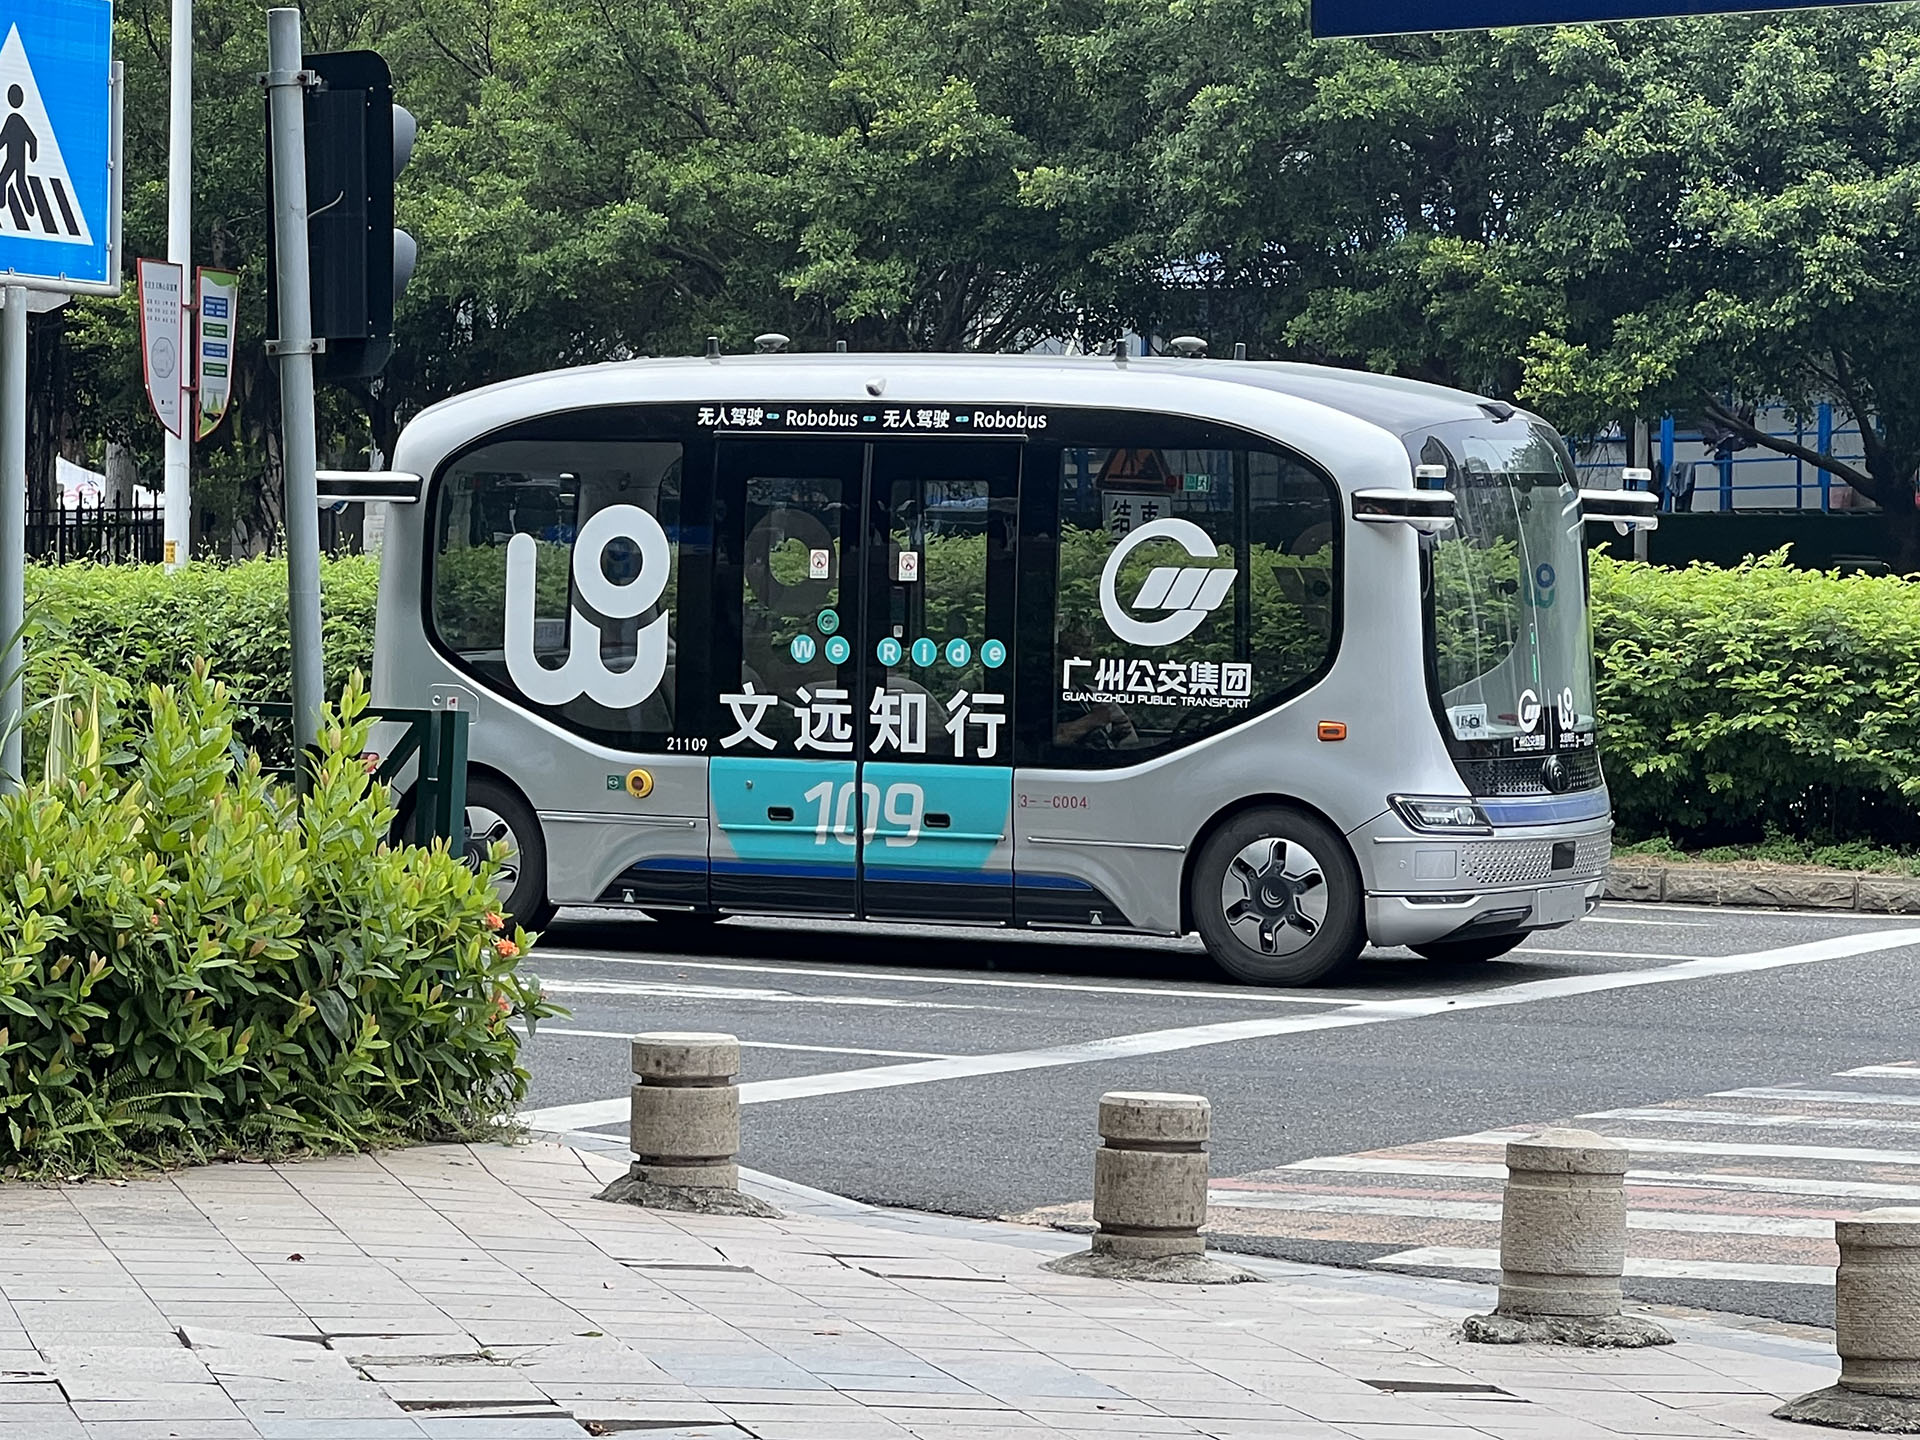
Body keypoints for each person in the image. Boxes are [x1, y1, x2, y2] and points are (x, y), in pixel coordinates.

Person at [0, 84, 37, 224]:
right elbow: (32, 139)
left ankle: (30, 209)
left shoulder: (14, 120)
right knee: (18, 182)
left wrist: (33, 153)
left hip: (15, 159)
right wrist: (32, 154)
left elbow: (32, 138)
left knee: (10, 181)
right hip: (17, 159)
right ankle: (29, 208)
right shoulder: (16, 120)